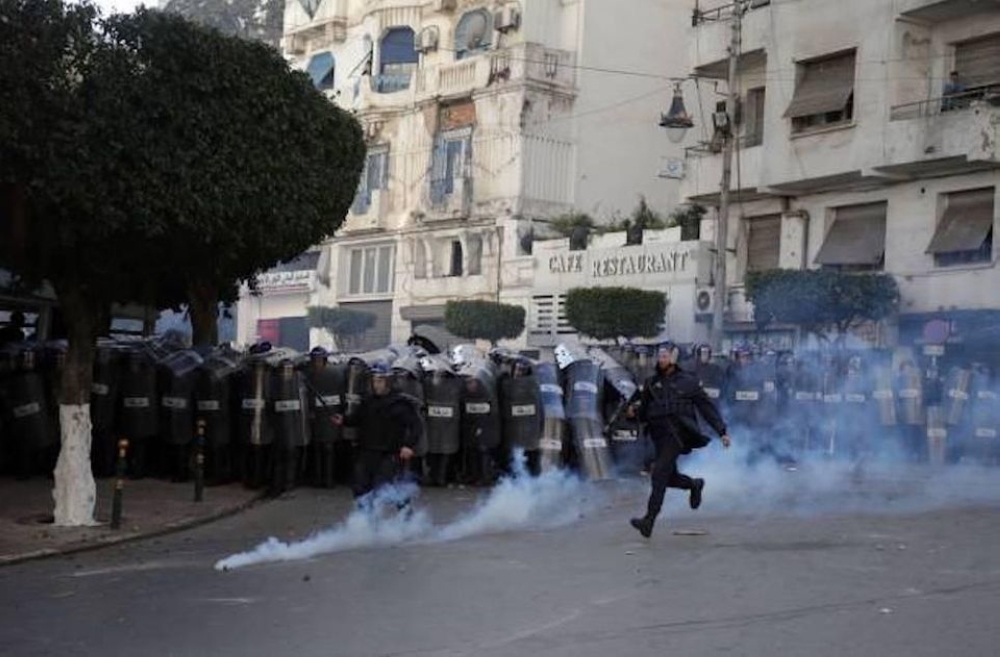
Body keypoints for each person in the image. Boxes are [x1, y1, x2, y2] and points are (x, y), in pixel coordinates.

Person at [630, 341, 731, 538]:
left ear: (674, 358)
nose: (662, 359)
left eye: (666, 356)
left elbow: (706, 407)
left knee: (658, 474)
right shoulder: (651, 384)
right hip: (657, 437)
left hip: (677, 435)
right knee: (669, 478)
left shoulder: (688, 381)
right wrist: (632, 413)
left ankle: (648, 520)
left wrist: (722, 431)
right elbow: (643, 413)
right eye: (660, 356)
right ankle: (694, 485)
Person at [333, 362, 422, 500]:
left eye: (380, 381)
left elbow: (416, 426)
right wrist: (344, 420)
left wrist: (408, 445)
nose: (376, 385)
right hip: (367, 451)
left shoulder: (400, 403)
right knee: (360, 487)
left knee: (388, 488)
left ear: (388, 382)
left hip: (390, 454)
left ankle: (405, 517)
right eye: (374, 381)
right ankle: (366, 519)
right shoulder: (368, 401)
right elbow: (357, 419)